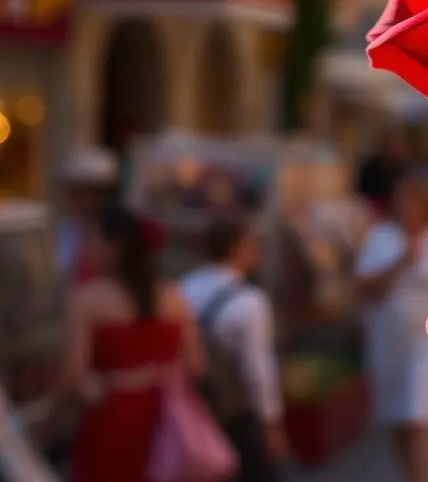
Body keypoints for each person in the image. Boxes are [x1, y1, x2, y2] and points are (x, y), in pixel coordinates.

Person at [43, 203, 205, 482]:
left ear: (114, 246)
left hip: (109, 422)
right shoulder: (173, 297)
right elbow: (196, 365)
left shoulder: (87, 300)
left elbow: (73, 379)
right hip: (161, 423)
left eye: (93, 238)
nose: (87, 247)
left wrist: (46, 425)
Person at [355, 175, 428, 482]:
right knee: (398, 418)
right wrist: (402, 260)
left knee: (419, 416)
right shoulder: (380, 237)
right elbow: (365, 286)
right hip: (390, 341)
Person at [180, 216, 287, 482]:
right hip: (234, 413)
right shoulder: (250, 301)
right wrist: (271, 423)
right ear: (238, 248)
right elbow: (258, 369)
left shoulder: (183, 287)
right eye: (253, 245)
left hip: (190, 405)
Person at [54, 147, 119, 286]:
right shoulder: (61, 230)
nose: (82, 200)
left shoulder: (116, 233)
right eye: (73, 192)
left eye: (92, 193)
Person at [355, 128, 410, 217]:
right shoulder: (369, 169)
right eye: (390, 143)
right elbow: (361, 197)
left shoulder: (403, 171)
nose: (393, 148)